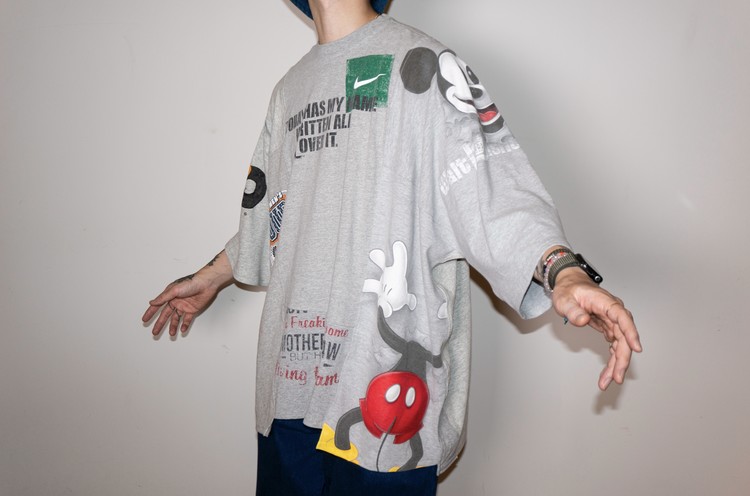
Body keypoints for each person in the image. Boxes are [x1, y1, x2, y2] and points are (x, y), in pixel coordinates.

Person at [142, 1, 642, 494]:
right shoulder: (289, 90)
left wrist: (563, 271)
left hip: (383, 392)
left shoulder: (423, 65)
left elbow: (490, 191)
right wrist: (211, 276)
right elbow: (273, 216)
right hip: (291, 386)